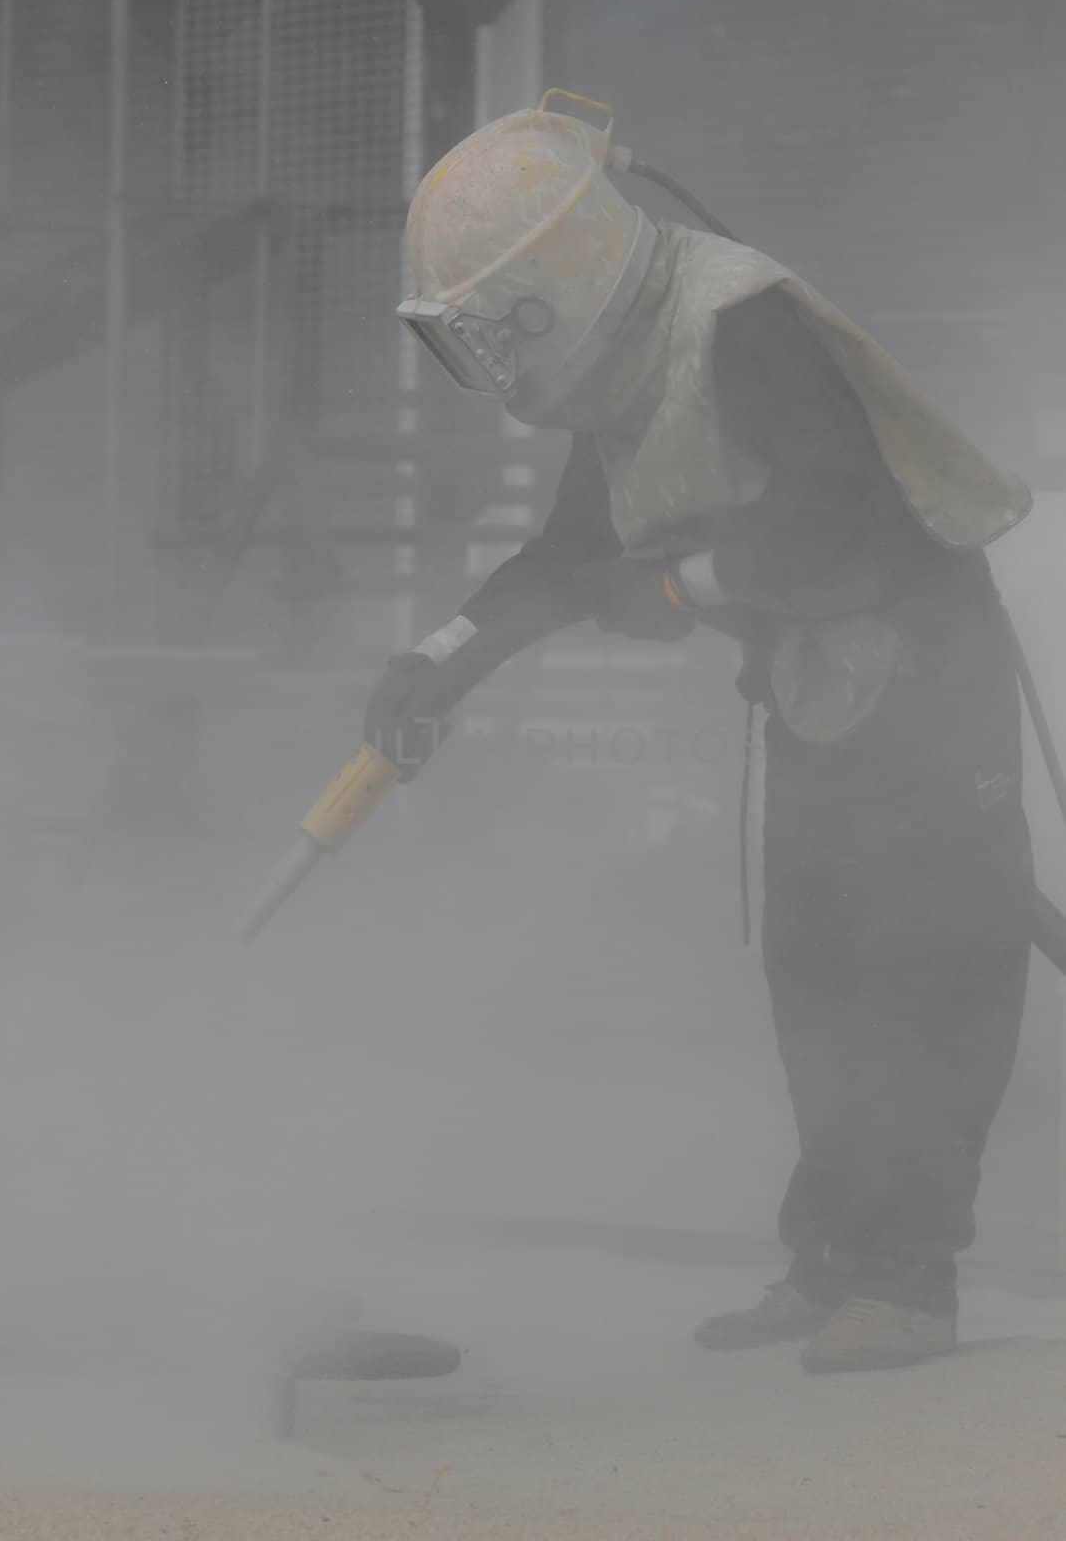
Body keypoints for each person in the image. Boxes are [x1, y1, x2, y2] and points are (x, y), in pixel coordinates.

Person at [365, 95, 1035, 1372]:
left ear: (544, 289)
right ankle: (828, 1263)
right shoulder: (620, 372)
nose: (495, 364)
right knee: (819, 973)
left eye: (490, 331)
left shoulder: (735, 320)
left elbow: (842, 520)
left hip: (917, 675)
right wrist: (437, 660)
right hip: (810, 682)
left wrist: (675, 592)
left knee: (925, 975)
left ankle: (906, 1285)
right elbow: (567, 559)